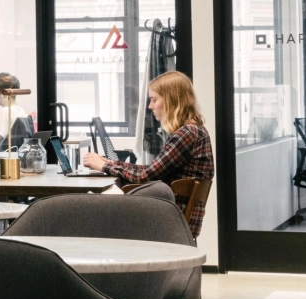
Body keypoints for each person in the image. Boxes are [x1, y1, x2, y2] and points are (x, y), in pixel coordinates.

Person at [82, 70, 214, 236]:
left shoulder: (186, 134)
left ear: (171, 100)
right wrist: (109, 162)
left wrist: (105, 166)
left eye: (154, 100)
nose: (150, 106)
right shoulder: (195, 131)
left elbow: (145, 176)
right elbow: (151, 170)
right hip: (171, 214)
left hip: (169, 218)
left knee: (89, 208)